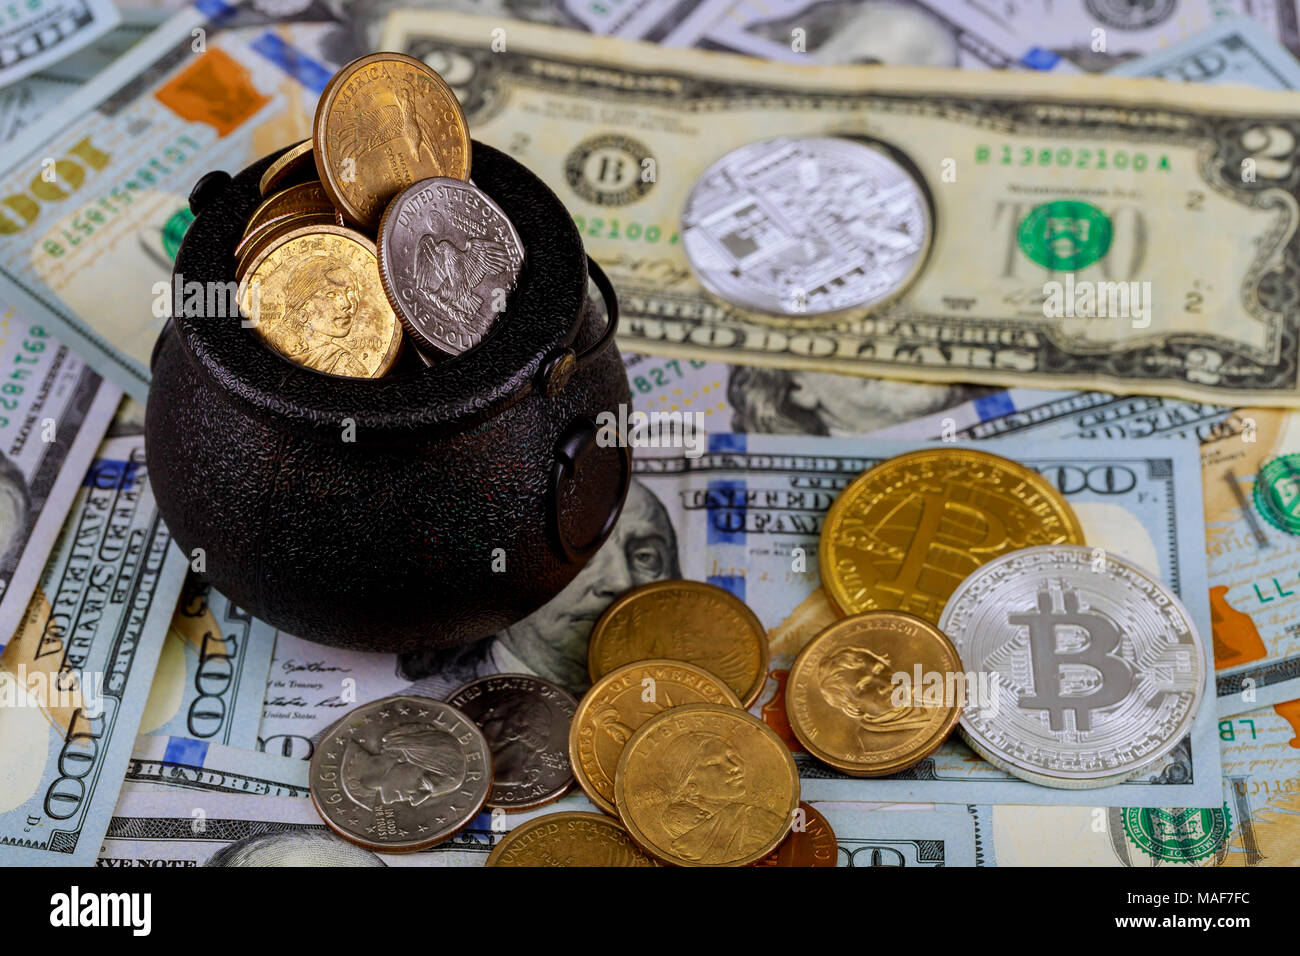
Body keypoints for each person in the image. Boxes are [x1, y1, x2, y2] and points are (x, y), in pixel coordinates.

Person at [398, 478, 680, 694]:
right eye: (579, 555)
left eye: (646, 557)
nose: (621, 582)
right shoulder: (413, 724)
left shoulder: (699, 716)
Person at [652, 732, 785, 864]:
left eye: (732, 757)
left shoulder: (751, 815)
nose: (735, 767)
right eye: (713, 763)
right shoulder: (683, 822)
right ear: (688, 778)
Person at [342, 722, 467, 809]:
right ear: (401, 754)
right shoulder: (345, 751)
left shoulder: (361, 800)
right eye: (424, 785)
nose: (416, 802)